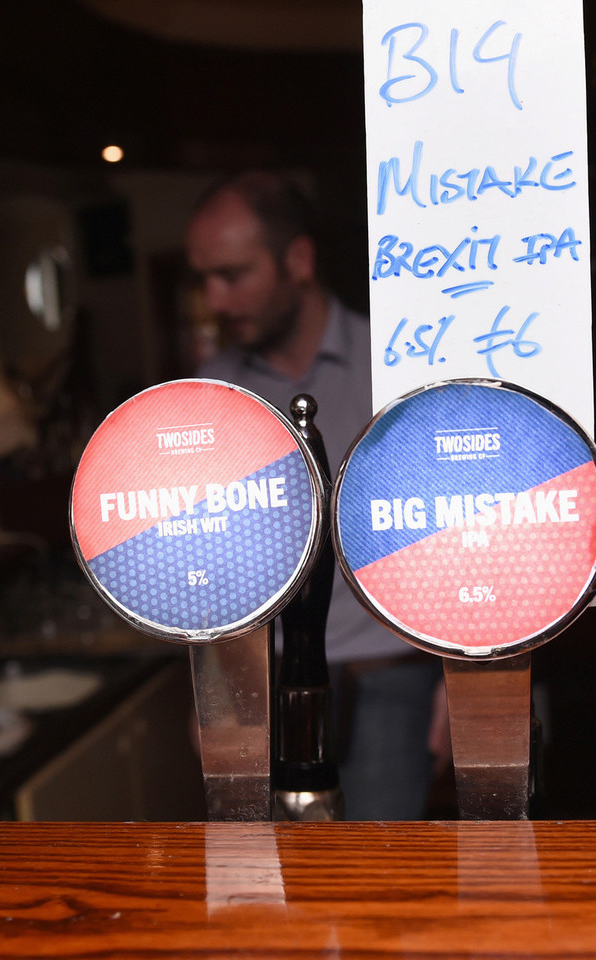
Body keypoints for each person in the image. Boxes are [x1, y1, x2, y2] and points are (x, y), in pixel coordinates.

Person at [186, 172, 443, 820]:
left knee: (376, 872)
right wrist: (211, 691)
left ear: (298, 260)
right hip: (260, 688)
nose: (215, 299)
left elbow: (454, 523)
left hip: (388, 676)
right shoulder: (214, 392)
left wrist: (462, 682)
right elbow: (207, 556)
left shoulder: (398, 363)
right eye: (205, 279)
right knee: (265, 871)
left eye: (233, 275)